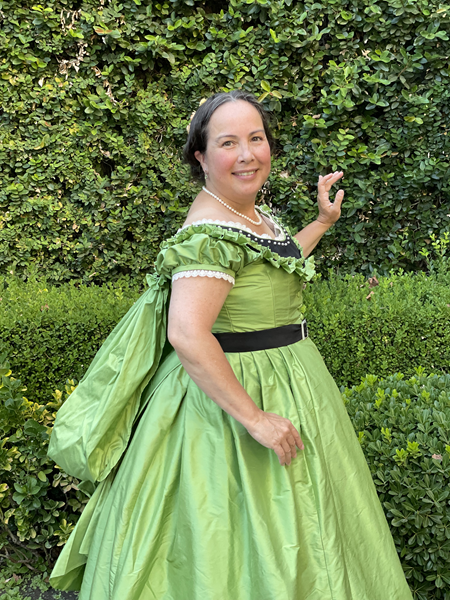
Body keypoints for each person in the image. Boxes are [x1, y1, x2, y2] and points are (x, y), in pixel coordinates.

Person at [47, 90, 414, 599]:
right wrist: (256, 419)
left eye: (256, 138)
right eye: (228, 143)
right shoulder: (209, 232)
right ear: (200, 156)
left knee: (307, 530)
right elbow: (188, 333)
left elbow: (268, 269)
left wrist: (322, 223)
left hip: (285, 380)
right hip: (229, 404)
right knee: (236, 541)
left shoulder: (245, 215)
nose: (247, 154)